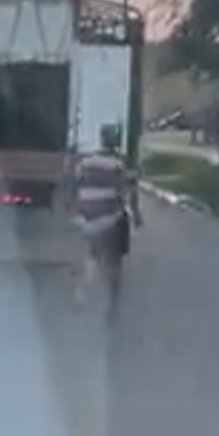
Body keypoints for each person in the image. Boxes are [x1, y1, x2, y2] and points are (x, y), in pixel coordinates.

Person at [71, 124, 142, 309]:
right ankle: (113, 295)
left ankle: (82, 293)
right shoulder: (118, 164)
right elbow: (126, 193)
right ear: (115, 142)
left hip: (86, 218)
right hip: (109, 219)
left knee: (91, 254)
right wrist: (137, 216)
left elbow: (74, 187)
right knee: (114, 257)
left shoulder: (85, 163)